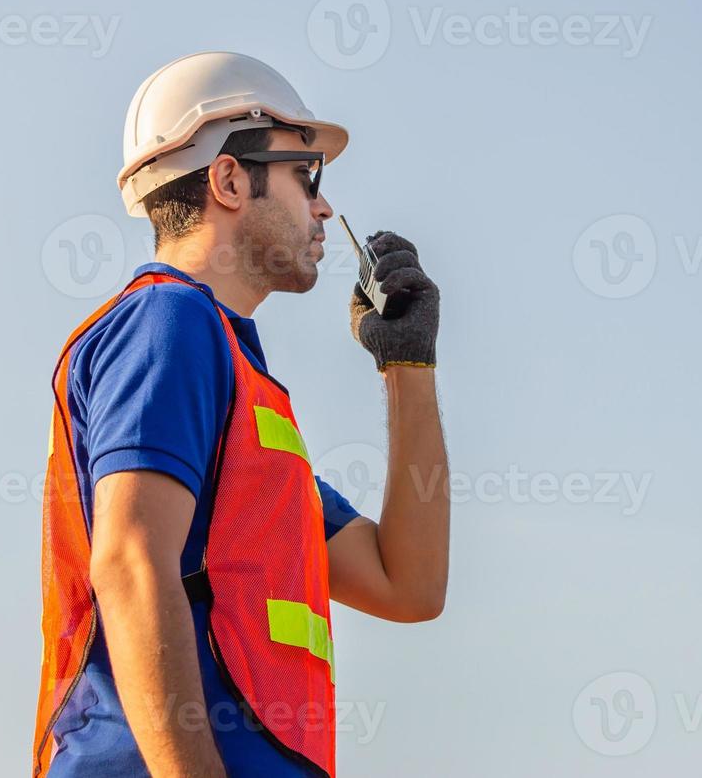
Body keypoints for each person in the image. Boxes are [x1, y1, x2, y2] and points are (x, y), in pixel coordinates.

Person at [32, 52, 450, 777]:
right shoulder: (170, 321)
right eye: (303, 175)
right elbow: (131, 561)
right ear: (228, 179)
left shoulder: (242, 393)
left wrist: (407, 365)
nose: (321, 207)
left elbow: (406, 586)